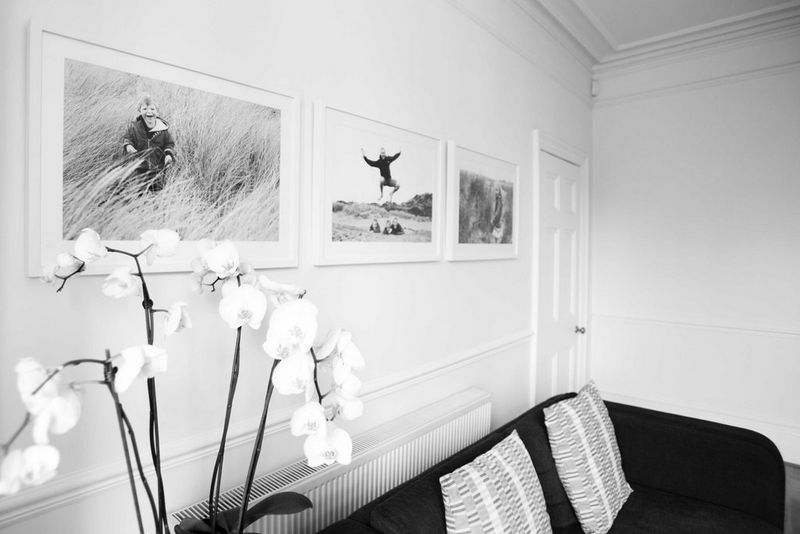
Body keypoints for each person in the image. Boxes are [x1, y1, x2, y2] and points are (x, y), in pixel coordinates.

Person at [122, 94, 176, 193]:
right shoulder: (134, 128)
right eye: (145, 109)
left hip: (158, 170)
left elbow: (169, 144)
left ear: (157, 111)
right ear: (140, 111)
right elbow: (127, 138)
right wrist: (128, 145)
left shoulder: (163, 130)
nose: (149, 111)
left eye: (152, 108)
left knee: (157, 194)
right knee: (140, 193)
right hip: (140, 170)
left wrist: (168, 155)